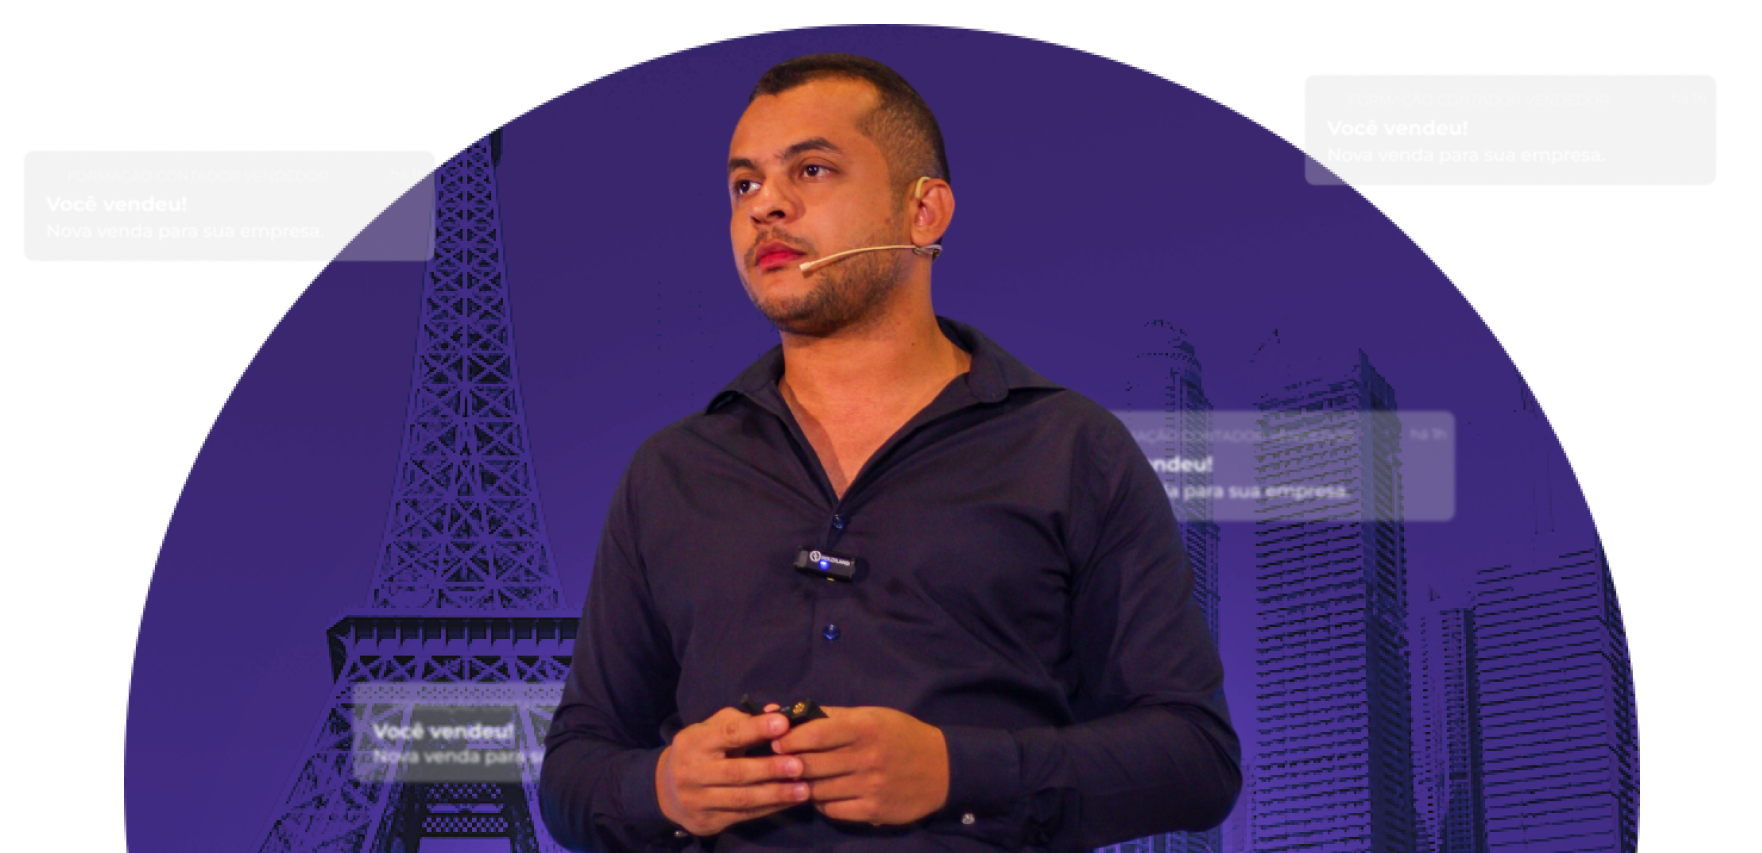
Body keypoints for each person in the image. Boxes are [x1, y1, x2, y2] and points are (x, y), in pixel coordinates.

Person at [538, 53, 1240, 852]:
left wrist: (955, 771)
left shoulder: (1074, 449)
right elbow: (572, 772)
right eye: (744, 184)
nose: (766, 204)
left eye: (811, 169)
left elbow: (1197, 756)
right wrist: (662, 786)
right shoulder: (668, 473)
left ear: (924, 212)